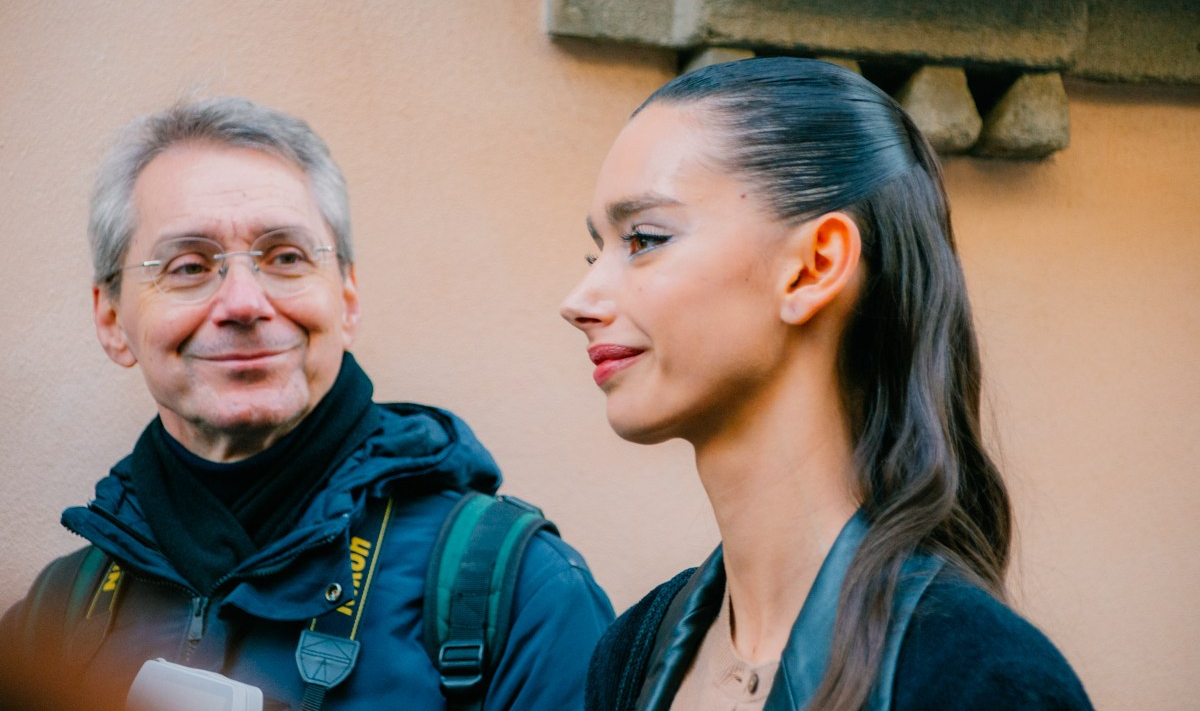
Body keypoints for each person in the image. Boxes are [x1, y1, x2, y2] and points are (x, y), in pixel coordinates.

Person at [0, 97, 613, 710]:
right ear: (111, 318)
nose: (244, 303)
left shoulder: (524, 595)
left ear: (346, 297)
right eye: (189, 266)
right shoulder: (55, 616)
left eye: (285, 257)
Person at [560, 57, 1093, 711]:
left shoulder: (979, 678)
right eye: (598, 251)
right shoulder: (630, 656)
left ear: (814, 267)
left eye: (643, 239)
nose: (580, 300)